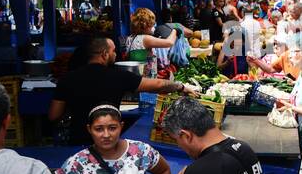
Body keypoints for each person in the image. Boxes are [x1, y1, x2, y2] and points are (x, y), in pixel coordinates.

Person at [48, 37, 199, 143]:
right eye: (113, 51)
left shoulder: (68, 78)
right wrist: (181, 87)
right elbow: (158, 85)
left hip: (77, 139)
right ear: (105, 54)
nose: (115, 54)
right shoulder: (118, 76)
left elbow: (54, 115)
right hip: (108, 140)